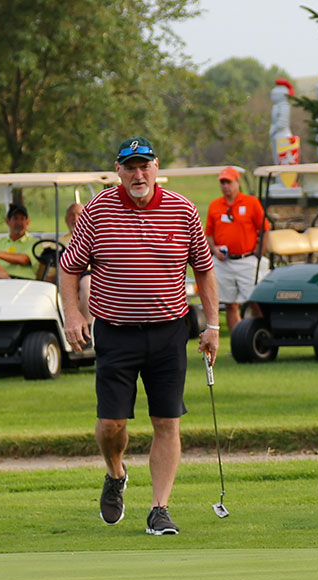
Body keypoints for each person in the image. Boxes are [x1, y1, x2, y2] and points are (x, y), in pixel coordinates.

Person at [59, 136, 219, 536]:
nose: (138, 174)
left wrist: (213, 326)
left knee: (167, 421)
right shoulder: (98, 210)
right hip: (115, 332)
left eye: (144, 166)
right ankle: (116, 473)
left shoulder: (183, 209)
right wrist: (73, 314)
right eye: (129, 167)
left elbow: (203, 268)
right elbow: (70, 267)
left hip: (169, 331)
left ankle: (159, 509)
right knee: (110, 424)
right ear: (118, 171)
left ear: (156, 167)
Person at [206, 166, 269, 330]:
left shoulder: (251, 202)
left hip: (246, 259)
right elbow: (209, 234)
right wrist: (214, 249)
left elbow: (264, 229)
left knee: (254, 300)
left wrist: (259, 253)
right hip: (223, 262)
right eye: (223, 183)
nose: (225, 186)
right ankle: (237, 339)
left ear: (238, 183)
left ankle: (262, 335)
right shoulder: (215, 205)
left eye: (229, 182)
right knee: (230, 303)